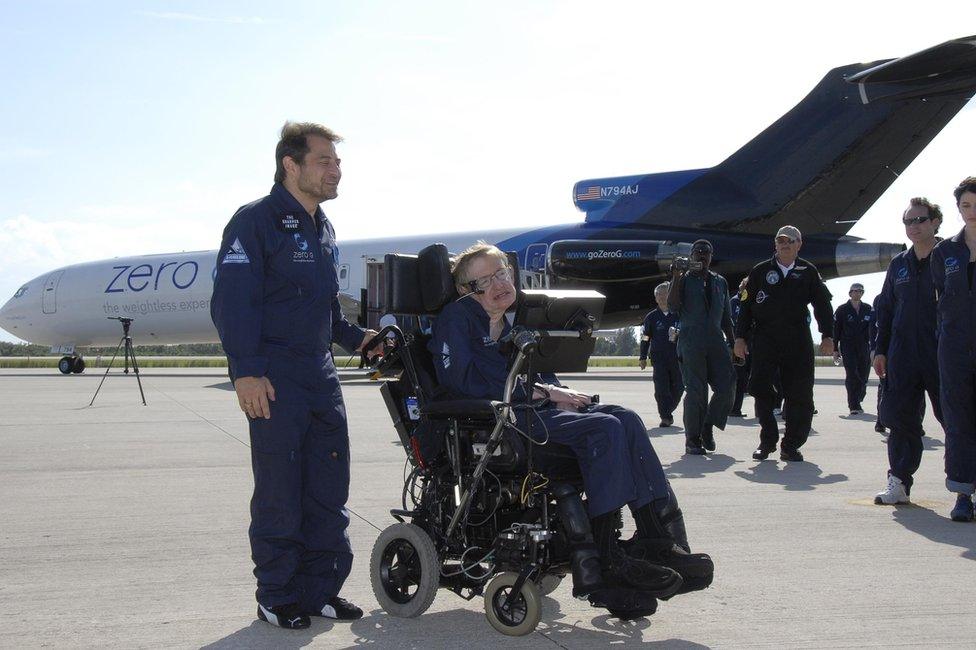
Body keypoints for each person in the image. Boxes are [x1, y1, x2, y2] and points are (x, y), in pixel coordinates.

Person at [429, 242, 714, 611]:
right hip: (501, 422)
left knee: (625, 418)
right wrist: (540, 392)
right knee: (605, 429)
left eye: (501, 273)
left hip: (537, 409)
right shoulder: (458, 318)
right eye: (484, 280)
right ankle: (605, 561)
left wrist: (561, 392)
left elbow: (543, 371)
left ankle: (660, 539)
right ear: (468, 290)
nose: (498, 283)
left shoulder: (519, 316)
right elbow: (461, 381)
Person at [211, 122, 379, 630]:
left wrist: (358, 340)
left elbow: (326, 309)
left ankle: (320, 590)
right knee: (281, 489)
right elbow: (232, 304)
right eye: (325, 160)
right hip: (274, 375)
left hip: (320, 376)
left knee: (328, 486)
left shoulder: (322, 227)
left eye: (337, 161)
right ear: (292, 164)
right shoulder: (255, 222)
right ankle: (277, 594)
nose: (336, 170)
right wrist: (246, 372)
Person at [733, 225, 834, 462]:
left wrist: (827, 335)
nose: (785, 245)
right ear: (775, 245)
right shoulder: (760, 271)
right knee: (760, 389)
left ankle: (791, 444)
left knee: (800, 394)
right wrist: (740, 338)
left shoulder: (808, 271)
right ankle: (767, 441)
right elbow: (745, 308)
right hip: (765, 339)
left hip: (797, 340)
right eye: (781, 241)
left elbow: (822, 305)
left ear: (799, 244)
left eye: (790, 241)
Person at [871, 197, 945, 506]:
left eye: (919, 220)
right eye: (908, 221)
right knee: (900, 419)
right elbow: (886, 308)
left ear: (935, 222)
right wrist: (880, 349)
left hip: (943, 353)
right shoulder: (899, 264)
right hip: (903, 353)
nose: (913, 226)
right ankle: (899, 481)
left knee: (957, 419)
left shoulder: (952, 257)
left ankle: (967, 486)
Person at [931, 178, 976, 521]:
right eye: (965, 206)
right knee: (958, 419)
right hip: (955, 346)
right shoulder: (946, 251)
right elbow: (938, 298)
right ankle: (962, 493)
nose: (971, 212)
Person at [667, 240, 735, 454]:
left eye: (706, 252)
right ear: (692, 256)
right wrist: (676, 277)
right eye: (698, 252)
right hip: (691, 340)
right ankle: (692, 439)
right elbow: (672, 306)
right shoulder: (684, 280)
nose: (702, 256)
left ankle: (708, 424)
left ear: (711, 256)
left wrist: (734, 343)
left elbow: (726, 317)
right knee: (696, 391)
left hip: (716, 339)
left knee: (728, 384)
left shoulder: (720, 282)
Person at [639, 282, 682, 427]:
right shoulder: (651, 317)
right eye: (659, 295)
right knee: (661, 388)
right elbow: (646, 337)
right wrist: (642, 357)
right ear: (656, 298)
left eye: (665, 294)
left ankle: (667, 408)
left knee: (679, 387)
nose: (662, 297)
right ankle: (665, 416)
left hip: (677, 358)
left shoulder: (678, 314)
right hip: (659, 358)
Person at [833, 283, 874, 415]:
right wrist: (835, 349)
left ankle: (859, 395)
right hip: (848, 346)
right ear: (850, 293)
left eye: (860, 291)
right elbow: (836, 330)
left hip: (864, 346)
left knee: (863, 375)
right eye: (854, 291)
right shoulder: (842, 310)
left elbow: (875, 329)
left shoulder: (869, 309)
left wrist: (875, 347)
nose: (857, 293)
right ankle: (853, 405)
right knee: (852, 374)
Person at [729, 278, 750, 418]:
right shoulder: (734, 302)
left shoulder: (753, 300)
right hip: (736, 345)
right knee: (738, 378)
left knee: (748, 378)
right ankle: (734, 408)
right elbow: (728, 323)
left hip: (752, 345)